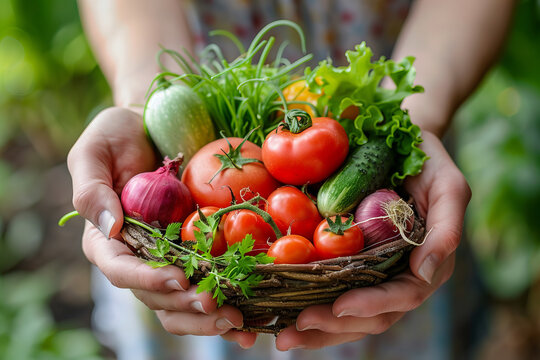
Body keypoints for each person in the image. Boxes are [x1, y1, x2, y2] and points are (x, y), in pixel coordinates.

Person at [68, 0, 515, 358]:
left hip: (408, 72)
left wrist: (417, 116)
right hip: (201, 73)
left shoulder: (326, 179)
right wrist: (146, 101)